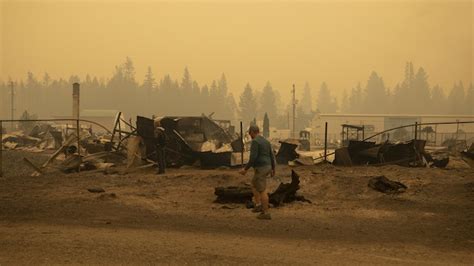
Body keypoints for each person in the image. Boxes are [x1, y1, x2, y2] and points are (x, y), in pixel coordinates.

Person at [239, 125, 276, 220]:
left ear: (252, 132)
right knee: (254, 184)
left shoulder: (255, 141)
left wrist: (245, 169)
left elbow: (253, 158)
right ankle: (259, 205)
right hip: (267, 167)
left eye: (249, 133)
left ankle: (266, 213)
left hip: (261, 168)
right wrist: (273, 168)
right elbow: (272, 156)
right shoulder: (266, 141)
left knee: (262, 190)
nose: (249, 135)